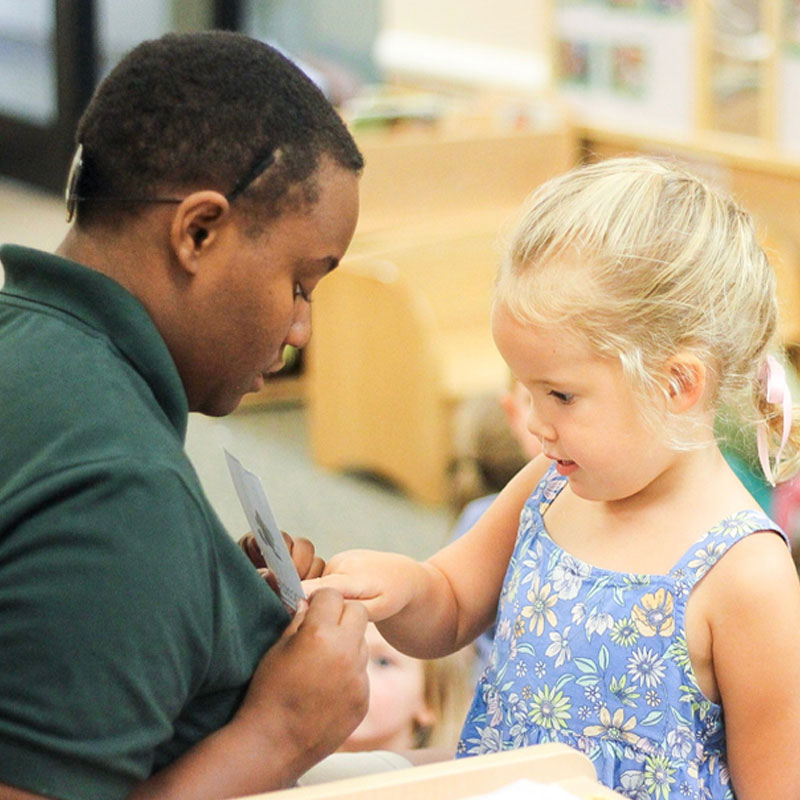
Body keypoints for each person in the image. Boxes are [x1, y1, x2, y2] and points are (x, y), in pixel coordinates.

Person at [307, 157, 800, 799]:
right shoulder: (551, 484)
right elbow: (451, 604)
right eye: (525, 389)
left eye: (561, 395)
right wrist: (397, 588)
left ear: (677, 384)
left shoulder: (748, 575)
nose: (535, 423)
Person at [0, 31, 369, 800]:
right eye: (301, 284)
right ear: (198, 231)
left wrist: (199, 596)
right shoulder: (121, 489)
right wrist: (281, 734)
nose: (302, 330)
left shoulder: (27, 342)